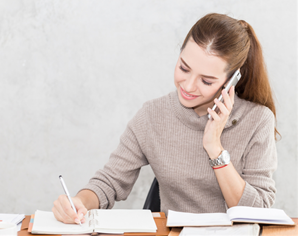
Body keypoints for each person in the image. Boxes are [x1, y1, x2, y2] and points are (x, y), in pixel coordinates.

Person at [52, 13, 280, 224]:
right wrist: (80, 202)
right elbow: (110, 181)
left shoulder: (257, 120)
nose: (188, 86)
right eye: (184, 67)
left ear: (231, 80)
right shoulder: (153, 115)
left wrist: (215, 149)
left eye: (207, 81)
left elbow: (258, 212)